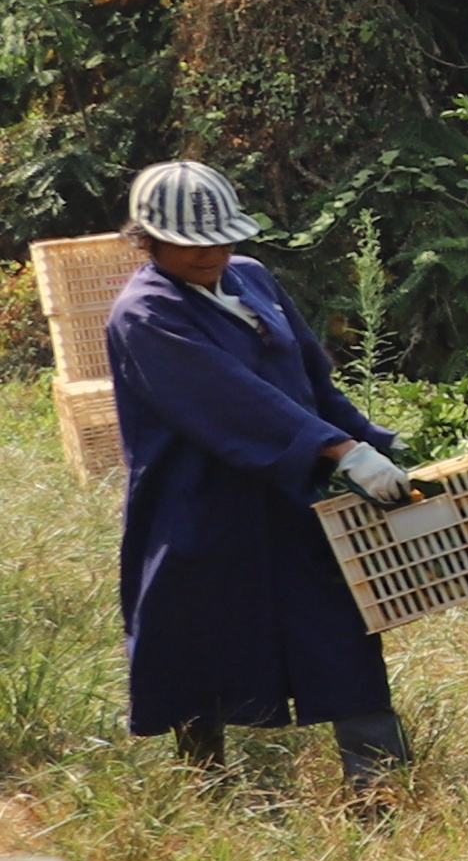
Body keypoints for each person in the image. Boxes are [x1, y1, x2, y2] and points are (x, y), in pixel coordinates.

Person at [96, 160, 416, 791]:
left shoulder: (251, 279)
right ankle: (208, 791)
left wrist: (376, 443)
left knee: (339, 633)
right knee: (198, 646)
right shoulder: (146, 312)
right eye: (190, 243)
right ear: (148, 240)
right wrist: (339, 451)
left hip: (291, 500)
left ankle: (381, 788)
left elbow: (309, 381)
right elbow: (232, 399)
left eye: (221, 238)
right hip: (198, 509)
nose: (210, 253)